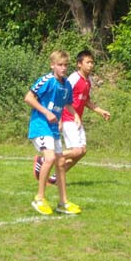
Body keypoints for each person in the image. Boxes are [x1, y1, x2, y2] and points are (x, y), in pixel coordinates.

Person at [33, 50, 110, 183]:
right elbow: (63, 98)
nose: (91, 65)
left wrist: (100, 111)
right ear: (79, 64)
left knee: (82, 151)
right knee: (76, 151)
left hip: (76, 119)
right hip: (68, 117)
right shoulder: (73, 79)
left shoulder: (88, 81)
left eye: (92, 62)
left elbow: (86, 101)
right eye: (88, 62)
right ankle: (44, 159)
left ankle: (55, 178)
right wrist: (61, 119)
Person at [25, 50, 82, 216]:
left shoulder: (66, 85)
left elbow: (68, 103)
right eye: (60, 65)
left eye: (65, 65)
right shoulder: (47, 81)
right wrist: (46, 112)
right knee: (49, 158)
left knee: (61, 162)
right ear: (53, 65)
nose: (63, 68)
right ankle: (39, 198)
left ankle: (63, 202)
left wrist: (76, 115)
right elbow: (28, 97)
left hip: (53, 128)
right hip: (40, 125)